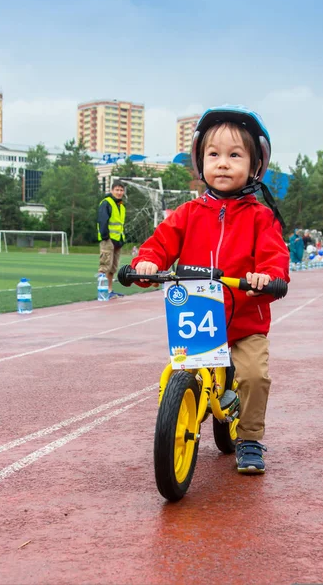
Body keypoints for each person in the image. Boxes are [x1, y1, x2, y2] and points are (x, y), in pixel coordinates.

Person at [131, 105, 290, 474]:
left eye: (235, 155)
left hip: (245, 321)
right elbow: (159, 243)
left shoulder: (260, 217)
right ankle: (178, 417)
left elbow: (274, 259)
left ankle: (249, 438)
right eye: (213, 155)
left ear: (253, 167)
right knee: (176, 370)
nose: (222, 163)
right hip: (198, 318)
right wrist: (147, 263)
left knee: (253, 374)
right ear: (200, 161)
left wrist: (266, 277)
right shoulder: (187, 213)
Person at [97, 180, 126, 299]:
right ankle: (101, 291)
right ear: (112, 190)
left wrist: (121, 239)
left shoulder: (121, 206)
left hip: (117, 240)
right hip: (108, 240)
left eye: (121, 190)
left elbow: (120, 224)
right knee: (104, 266)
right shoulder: (106, 203)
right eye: (117, 190)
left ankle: (109, 290)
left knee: (113, 267)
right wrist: (105, 237)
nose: (119, 192)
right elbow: (102, 220)